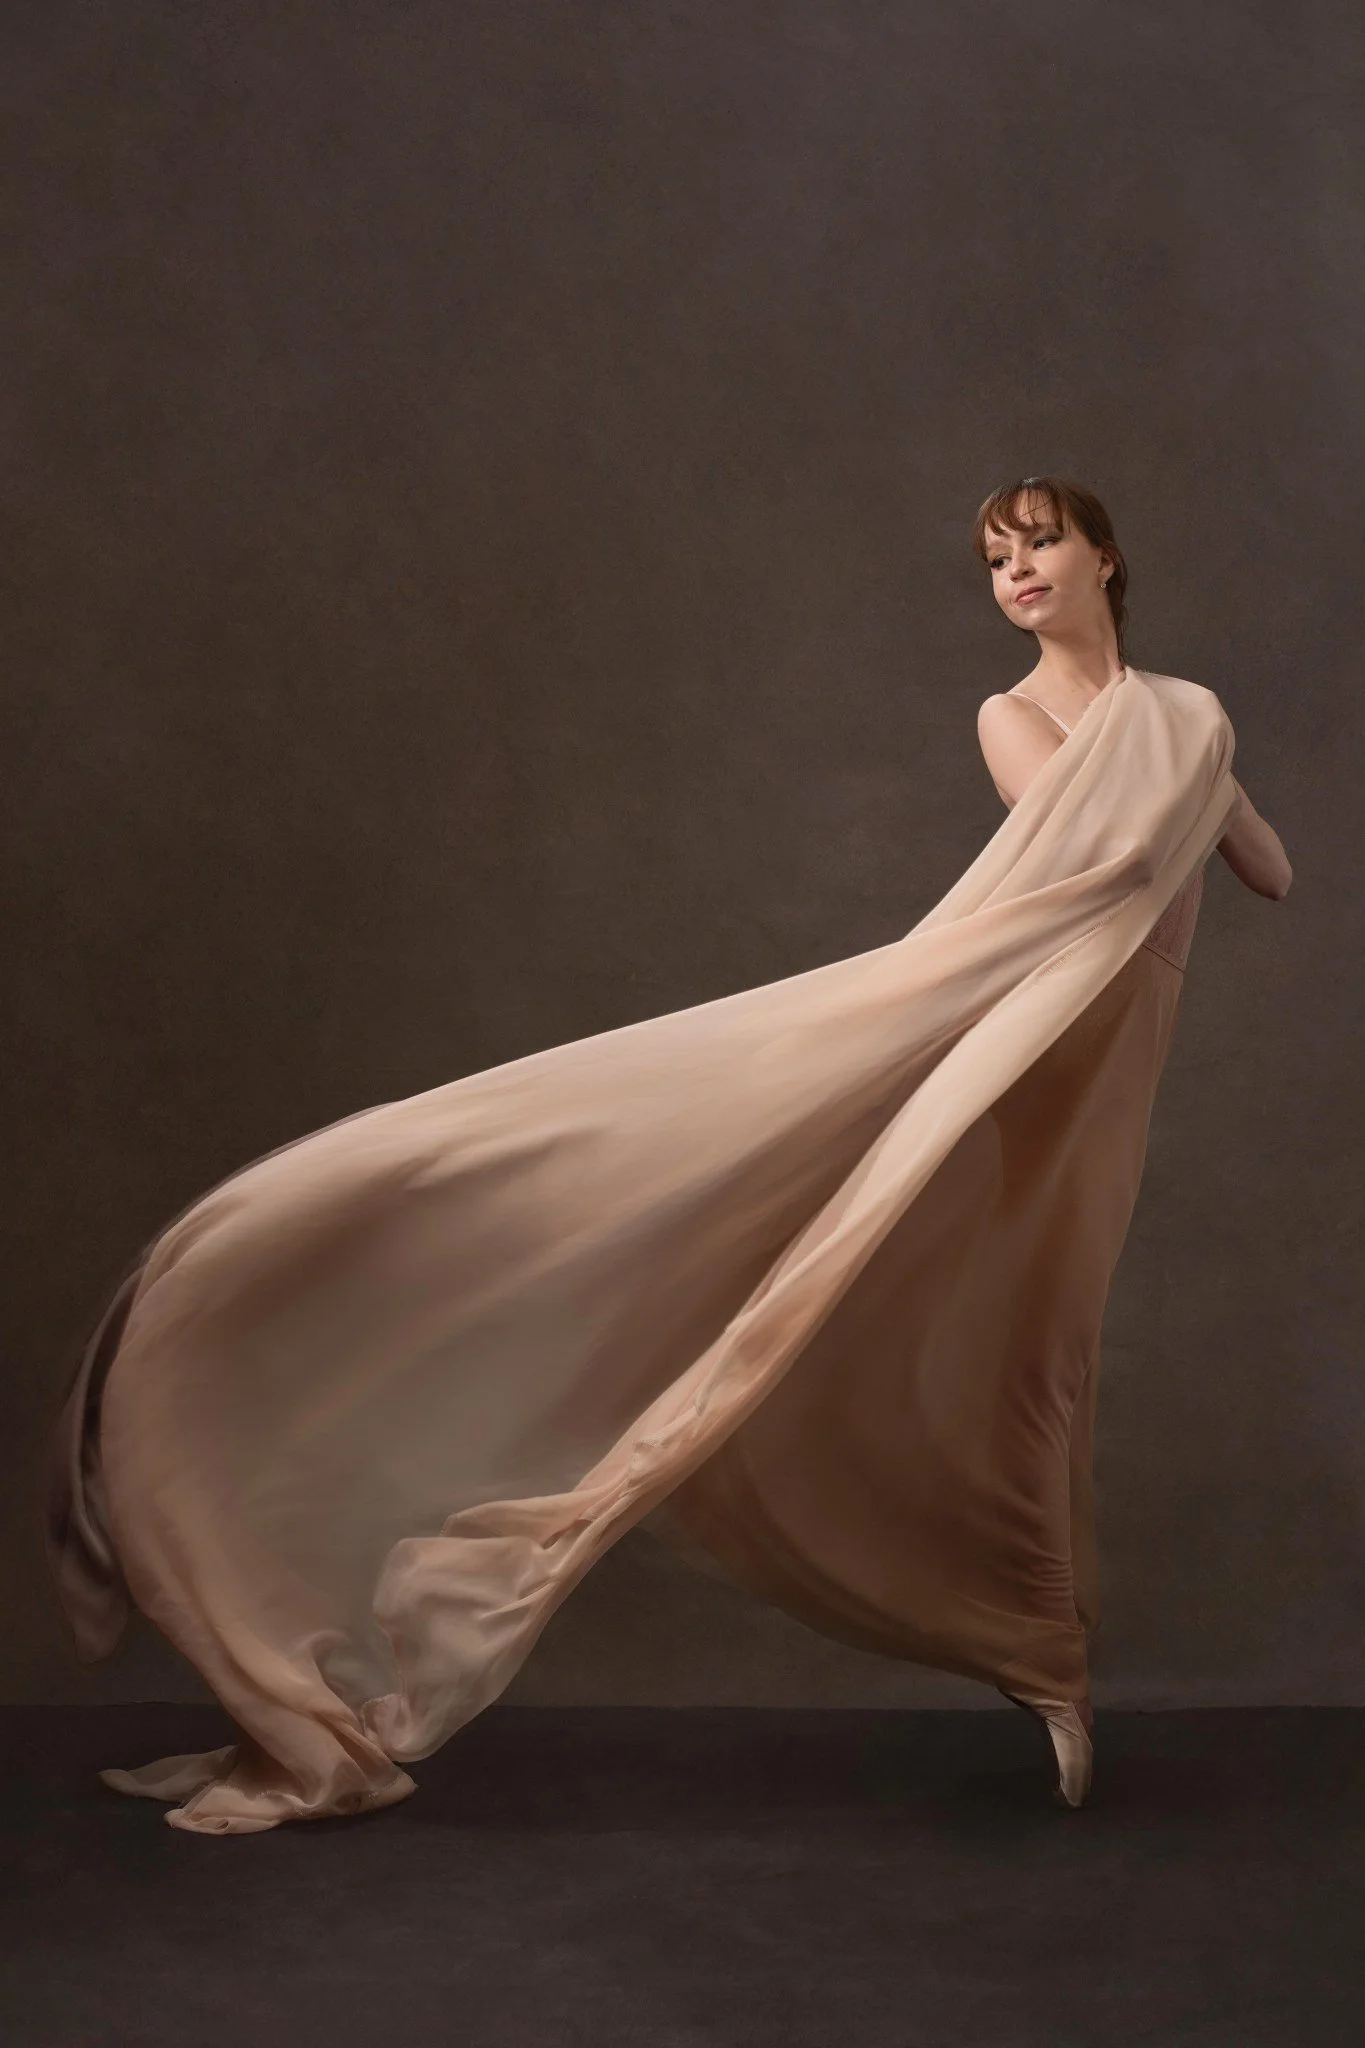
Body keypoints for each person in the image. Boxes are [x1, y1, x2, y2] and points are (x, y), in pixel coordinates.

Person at [47, 475, 1289, 1834]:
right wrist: (1195, 764)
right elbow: (1097, 857)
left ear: (1105, 555)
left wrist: (1214, 759)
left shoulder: (1185, 719)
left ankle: (1048, 1669)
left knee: (1038, 1353)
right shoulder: (1021, 716)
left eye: (1040, 542)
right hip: (1008, 1034)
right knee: (826, 1270)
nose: (1018, 572)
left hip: (1108, 1068)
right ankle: (1039, 1664)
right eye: (995, 558)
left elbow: (1267, 871)